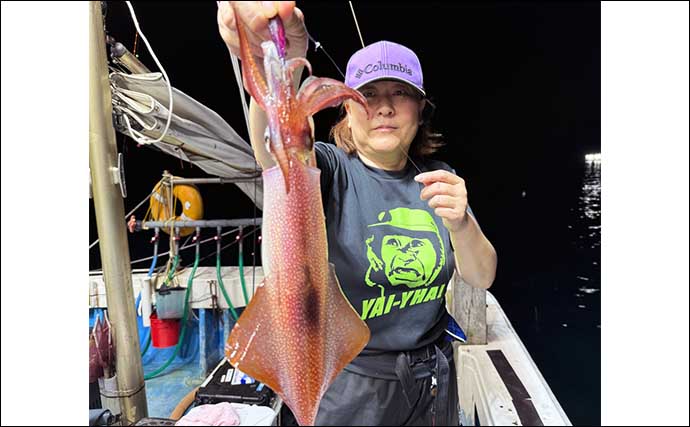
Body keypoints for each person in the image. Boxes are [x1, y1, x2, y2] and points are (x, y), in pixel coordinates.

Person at [217, 2, 497, 425]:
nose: (384, 107)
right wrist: (270, 59)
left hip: (431, 383)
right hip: (347, 386)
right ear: (346, 108)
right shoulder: (327, 170)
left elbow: (482, 276)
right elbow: (276, 152)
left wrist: (462, 221)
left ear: (420, 110)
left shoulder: (439, 179)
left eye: (399, 93)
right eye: (368, 94)